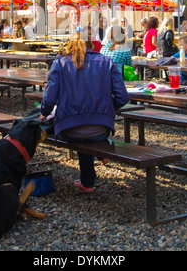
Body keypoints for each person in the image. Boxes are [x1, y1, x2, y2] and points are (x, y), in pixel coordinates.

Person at [40, 31, 130, 191]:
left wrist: (44, 113)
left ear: (69, 45)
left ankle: (88, 180)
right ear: (92, 44)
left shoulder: (60, 63)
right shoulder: (106, 62)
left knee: (53, 125)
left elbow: (49, 98)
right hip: (101, 130)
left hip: (68, 130)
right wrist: (111, 108)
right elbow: (123, 97)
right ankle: (88, 179)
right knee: (86, 132)